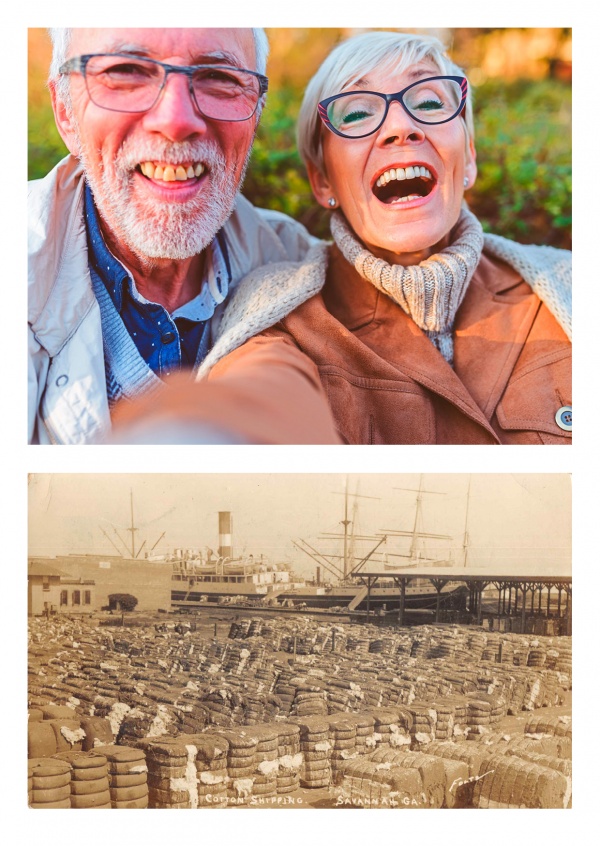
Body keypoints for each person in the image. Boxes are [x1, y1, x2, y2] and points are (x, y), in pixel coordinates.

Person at [194, 30, 571, 445]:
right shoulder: (278, 317)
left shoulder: (569, 286)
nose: (401, 127)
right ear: (322, 181)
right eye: (356, 114)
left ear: (470, 158)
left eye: (429, 103)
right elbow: (257, 401)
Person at [28, 27, 339, 444]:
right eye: (126, 72)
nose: (175, 121)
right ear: (65, 111)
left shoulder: (299, 266)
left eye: (219, 78)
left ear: (256, 113)